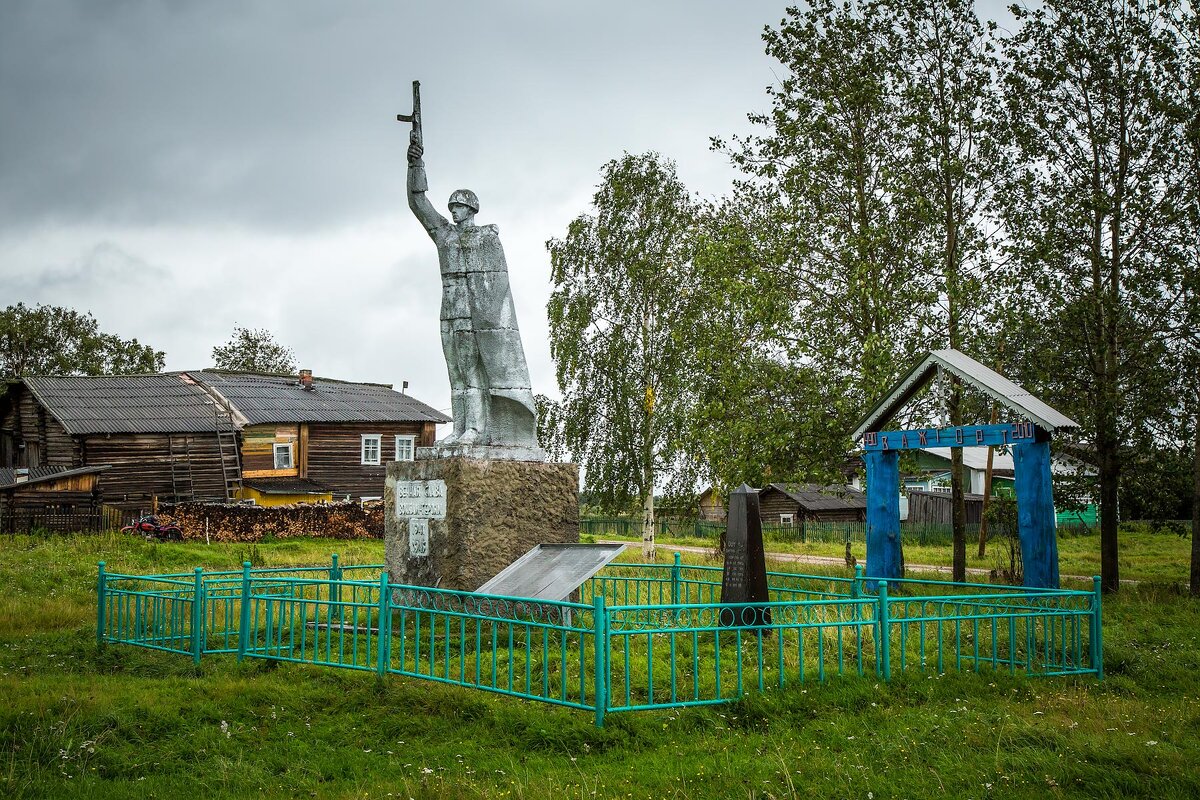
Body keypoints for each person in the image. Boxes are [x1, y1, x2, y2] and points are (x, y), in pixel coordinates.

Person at [406, 135, 540, 452]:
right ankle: (461, 428)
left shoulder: (484, 238)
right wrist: (415, 165)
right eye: (452, 207)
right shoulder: (444, 235)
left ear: (472, 209)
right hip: (448, 313)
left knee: (472, 374)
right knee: (455, 375)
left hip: (474, 316)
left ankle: (477, 430)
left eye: (460, 207)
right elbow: (418, 202)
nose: (454, 211)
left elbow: (497, 285)